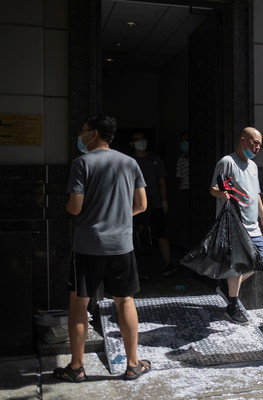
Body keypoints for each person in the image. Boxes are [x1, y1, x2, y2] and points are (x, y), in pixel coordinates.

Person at [54, 115, 151, 382]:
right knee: (125, 301)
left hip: (88, 244)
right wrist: (118, 217)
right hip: (122, 244)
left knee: (78, 302)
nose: (80, 136)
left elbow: (75, 206)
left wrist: (71, 208)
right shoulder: (130, 163)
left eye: (83, 131)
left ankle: (76, 367)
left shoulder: (82, 163)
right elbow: (142, 204)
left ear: (93, 134)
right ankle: (133, 364)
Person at [210, 127, 263, 325]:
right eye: (254, 143)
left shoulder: (253, 166)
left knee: (261, 260)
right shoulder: (227, 162)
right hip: (235, 223)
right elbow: (213, 188)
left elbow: (256, 194)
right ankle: (232, 305)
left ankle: (226, 287)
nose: (256, 148)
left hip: (253, 223)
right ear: (243, 140)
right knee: (237, 266)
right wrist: (221, 194)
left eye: (260, 145)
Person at [129, 131, 177, 276]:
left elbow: (161, 180)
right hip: (136, 205)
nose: (140, 141)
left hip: (155, 203)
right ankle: (134, 269)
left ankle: (168, 264)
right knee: (135, 236)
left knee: (160, 233)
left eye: (143, 139)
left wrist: (164, 200)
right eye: (137, 139)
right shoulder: (130, 161)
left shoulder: (155, 159)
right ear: (131, 144)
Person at [175, 130, 191, 248]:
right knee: (184, 222)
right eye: (182, 141)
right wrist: (178, 195)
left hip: (195, 192)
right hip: (185, 192)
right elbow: (179, 179)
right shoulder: (180, 160)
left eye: (186, 140)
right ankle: (186, 247)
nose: (184, 143)